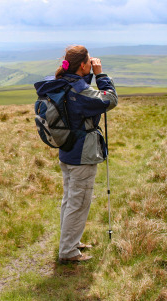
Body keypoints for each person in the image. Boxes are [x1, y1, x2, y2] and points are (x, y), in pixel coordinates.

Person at [35, 45, 118, 263]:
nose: (92, 63)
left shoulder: (66, 84)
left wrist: (89, 74)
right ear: (82, 65)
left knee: (70, 200)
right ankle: (68, 251)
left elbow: (83, 94)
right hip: (82, 154)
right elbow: (110, 99)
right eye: (89, 61)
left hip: (67, 151)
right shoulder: (80, 91)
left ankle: (70, 242)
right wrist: (101, 76)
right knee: (78, 202)